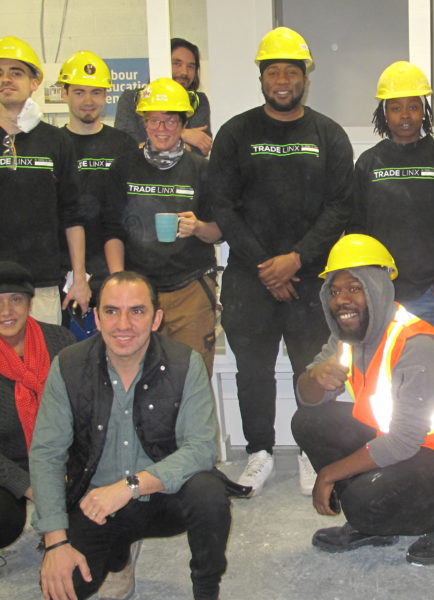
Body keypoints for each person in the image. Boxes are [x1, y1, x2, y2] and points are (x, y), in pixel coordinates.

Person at [208, 26, 353, 496]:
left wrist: (295, 259)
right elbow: (223, 206)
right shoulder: (236, 133)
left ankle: (314, 450)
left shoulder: (328, 135)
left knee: (313, 367)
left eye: (292, 71)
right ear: (262, 77)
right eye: (274, 71)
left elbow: (340, 207)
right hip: (251, 278)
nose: (283, 79)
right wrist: (265, 266)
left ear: (305, 78)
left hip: (311, 277)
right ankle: (259, 452)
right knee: (253, 369)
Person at [29, 271, 230, 600]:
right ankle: (118, 552)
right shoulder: (68, 365)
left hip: (161, 497)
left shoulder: (185, 363)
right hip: (94, 503)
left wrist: (129, 487)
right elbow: (47, 454)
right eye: (111, 311)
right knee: (62, 587)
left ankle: (206, 589)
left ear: (156, 319)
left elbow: (200, 449)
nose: (123, 324)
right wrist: (56, 542)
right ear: (96, 317)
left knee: (209, 493)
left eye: (137, 311)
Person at [292, 234, 434, 565]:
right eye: (335, 291)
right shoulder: (348, 336)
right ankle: (372, 522)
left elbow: (403, 442)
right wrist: (314, 378)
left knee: (363, 502)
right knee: (308, 422)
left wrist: (329, 474)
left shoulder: (415, 344)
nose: (342, 300)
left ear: (378, 288)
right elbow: (308, 399)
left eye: (355, 288)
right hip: (401, 439)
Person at [105, 77, 220, 375]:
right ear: (144, 123)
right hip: (137, 293)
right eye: (154, 121)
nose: (161, 129)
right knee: (136, 380)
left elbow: (219, 232)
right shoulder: (123, 167)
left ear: (183, 123)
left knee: (192, 383)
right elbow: (111, 230)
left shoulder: (202, 170)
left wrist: (198, 227)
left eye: (169, 121)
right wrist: (119, 284)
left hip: (191, 290)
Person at [349, 61, 434, 336]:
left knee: (433, 372)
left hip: (432, 295)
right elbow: (356, 229)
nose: (405, 115)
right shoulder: (369, 163)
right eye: (396, 107)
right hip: (380, 295)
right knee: (384, 372)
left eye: (414, 107)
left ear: (424, 112)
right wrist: (366, 284)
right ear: (384, 113)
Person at [0, 36, 90, 325]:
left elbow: (72, 215)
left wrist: (79, 278)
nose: (6, 79)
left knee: (43, 368)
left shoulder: (56, 141)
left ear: (34, 82)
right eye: (0, 73)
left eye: (16, 72)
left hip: (42, 285)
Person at [59, 50, 137, 322]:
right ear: (64, 94)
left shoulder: (123, 145)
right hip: (64, 272)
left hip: (115, 267)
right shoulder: (54, 145)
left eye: (96, 92)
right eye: (79, 92)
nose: (88, 101)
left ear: (106, 96)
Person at [0, 262, 74, 551]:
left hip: (62, 456)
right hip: (10, 464)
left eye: (15, 300)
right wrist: (30, 486)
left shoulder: (60, 342)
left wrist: (67, 470)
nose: (7, 312)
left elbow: (83, 412)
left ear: (30, 303)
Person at [115, 38, 213, 156]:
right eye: (177, 63)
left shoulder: (198, 101)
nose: (184, 72)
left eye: (191, 66)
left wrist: (148, 143)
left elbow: (200, 149)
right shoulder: (131, 99)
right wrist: (182, 134)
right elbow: (125, 148)